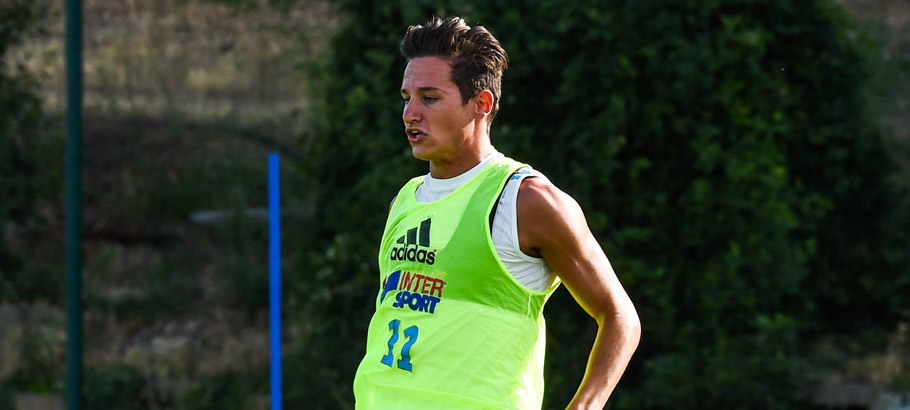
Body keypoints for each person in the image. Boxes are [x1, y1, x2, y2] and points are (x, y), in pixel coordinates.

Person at [353, 16, 641, 410]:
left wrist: (585, 406)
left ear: (481, 104)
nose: (410, 114)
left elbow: (620, 316)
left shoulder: (527, 200)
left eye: (430, 98)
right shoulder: (404, 200)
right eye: (407, 98)